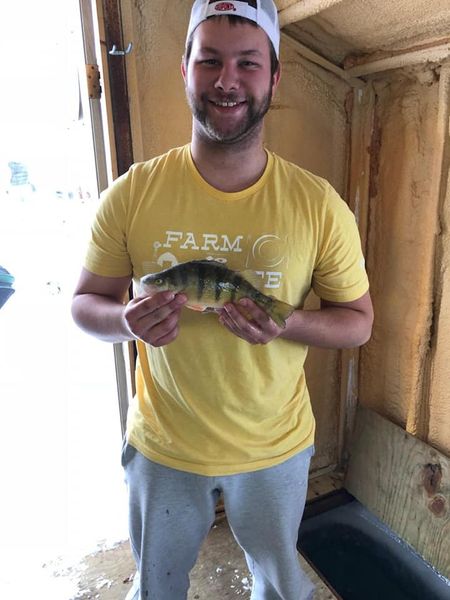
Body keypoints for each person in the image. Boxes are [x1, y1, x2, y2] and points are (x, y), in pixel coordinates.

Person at [71, 1, 373, 598]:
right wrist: (127, 322)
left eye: (247, 63)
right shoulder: (131, 194)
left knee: (279, 586)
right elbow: (85, 304)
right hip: (163, 448)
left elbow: (357, 323)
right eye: (209, 60)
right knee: (157, 588)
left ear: (274, 77)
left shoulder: (318, 205)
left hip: (276, 448)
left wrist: (285, 325)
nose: (227, 80)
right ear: (184, 69)